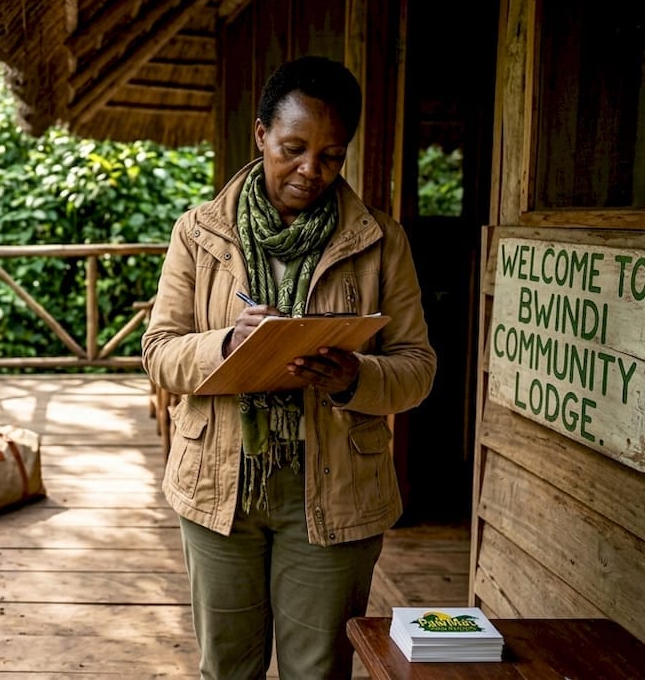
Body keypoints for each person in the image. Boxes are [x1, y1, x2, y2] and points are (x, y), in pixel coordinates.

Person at [141, 55, 436, 679]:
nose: (310, 171)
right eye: (293, 148)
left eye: (331, 155)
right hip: (220, 485)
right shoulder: (199, 234)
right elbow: (159, 352)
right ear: (260, 135)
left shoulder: (381, 241)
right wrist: (226, 344)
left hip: (335, 488)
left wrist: (355, 378)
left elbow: (417, 368)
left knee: (318, 670)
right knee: (228, 669)